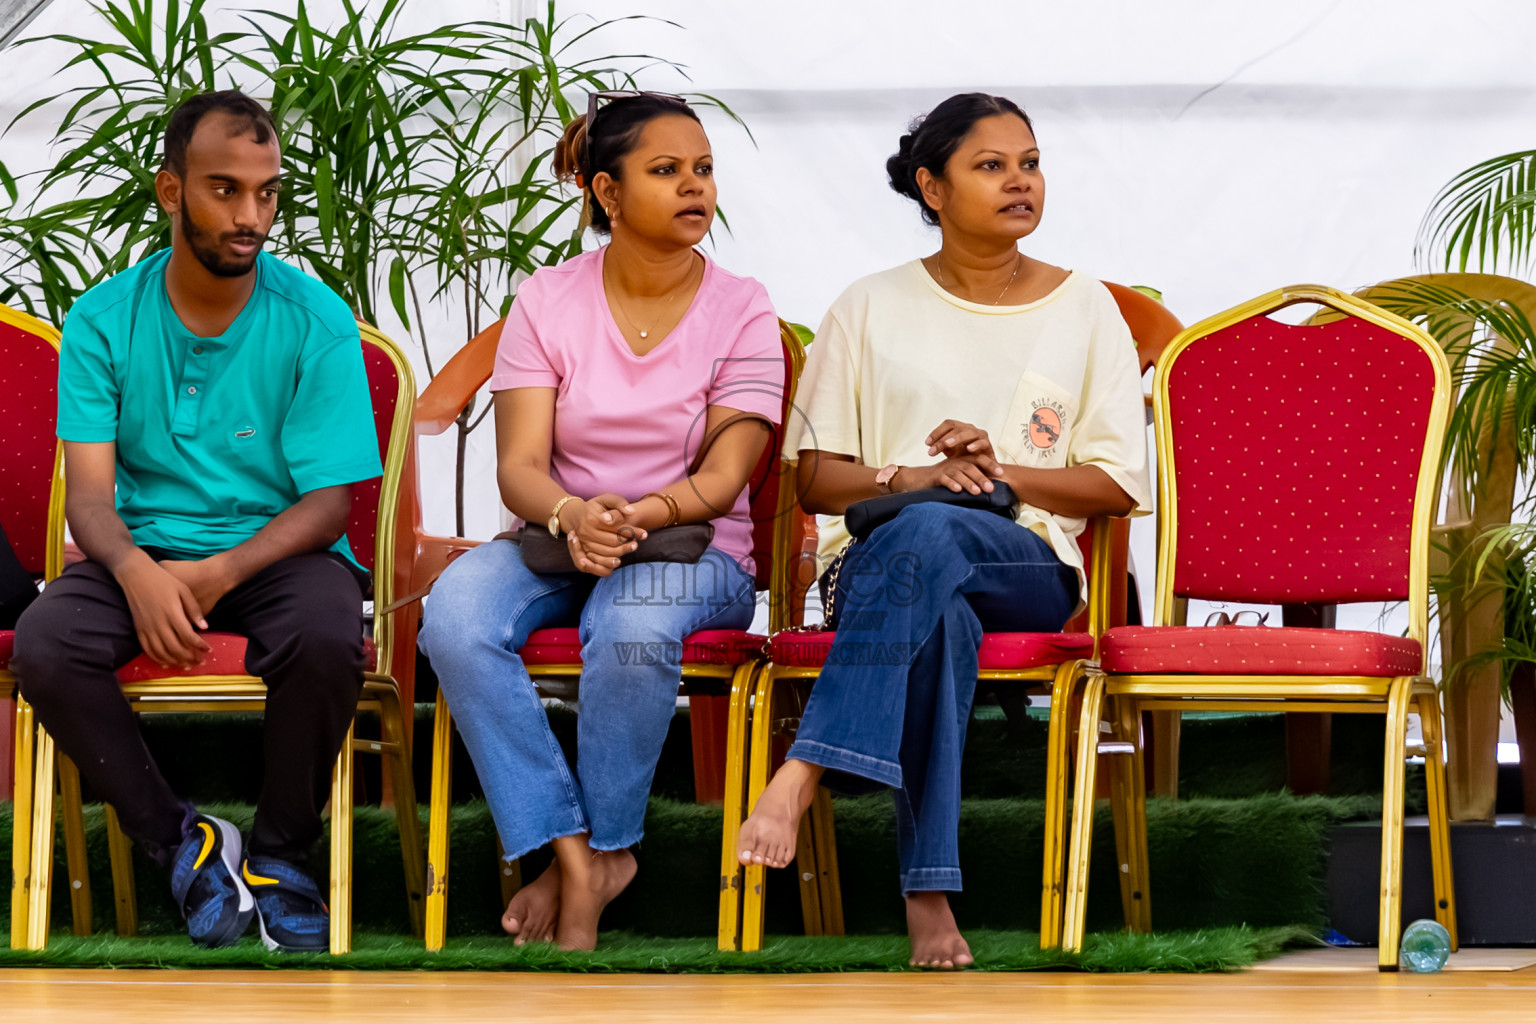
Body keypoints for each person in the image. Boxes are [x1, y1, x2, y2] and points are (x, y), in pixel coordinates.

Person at [734, 93, 1151, 968]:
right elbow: (813, 476)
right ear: (931, 185)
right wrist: (912, 478)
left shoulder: (1087, 309)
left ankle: (806, 768)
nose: (1019, 182)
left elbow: (1114, 483)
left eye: (1029, 163)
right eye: (990, 166)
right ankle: (930, 891)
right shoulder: (869, 305)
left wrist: (1001, 469)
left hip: (1026, 561)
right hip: (882, 565)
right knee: (935, 588)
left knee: (936, 536)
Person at [13, 90, 381, 952]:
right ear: (170, 191)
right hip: (136, 549)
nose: (251, 215)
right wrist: (139, 573)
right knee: (45, 644)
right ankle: (183, 842)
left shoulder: (315, 319)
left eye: (267, 192)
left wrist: (217, 575)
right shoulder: (104, 320)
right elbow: (93, 502)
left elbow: (329, 504)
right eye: (225, 190)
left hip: (280, 552)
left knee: (328, 639)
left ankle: (283, 855)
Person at [418, 92, 785, 951]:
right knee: (457, 618)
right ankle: (580, 854)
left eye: (703, 169)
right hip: (558, 535)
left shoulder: (742, 306)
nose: (695, 188)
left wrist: (634, 516)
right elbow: (520, 469)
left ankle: (611, 847)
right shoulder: (546, 300)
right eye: (667, 171)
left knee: (629, 623)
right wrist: (576, 514)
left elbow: (728, 477)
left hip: (696, 548)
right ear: (607, 195)